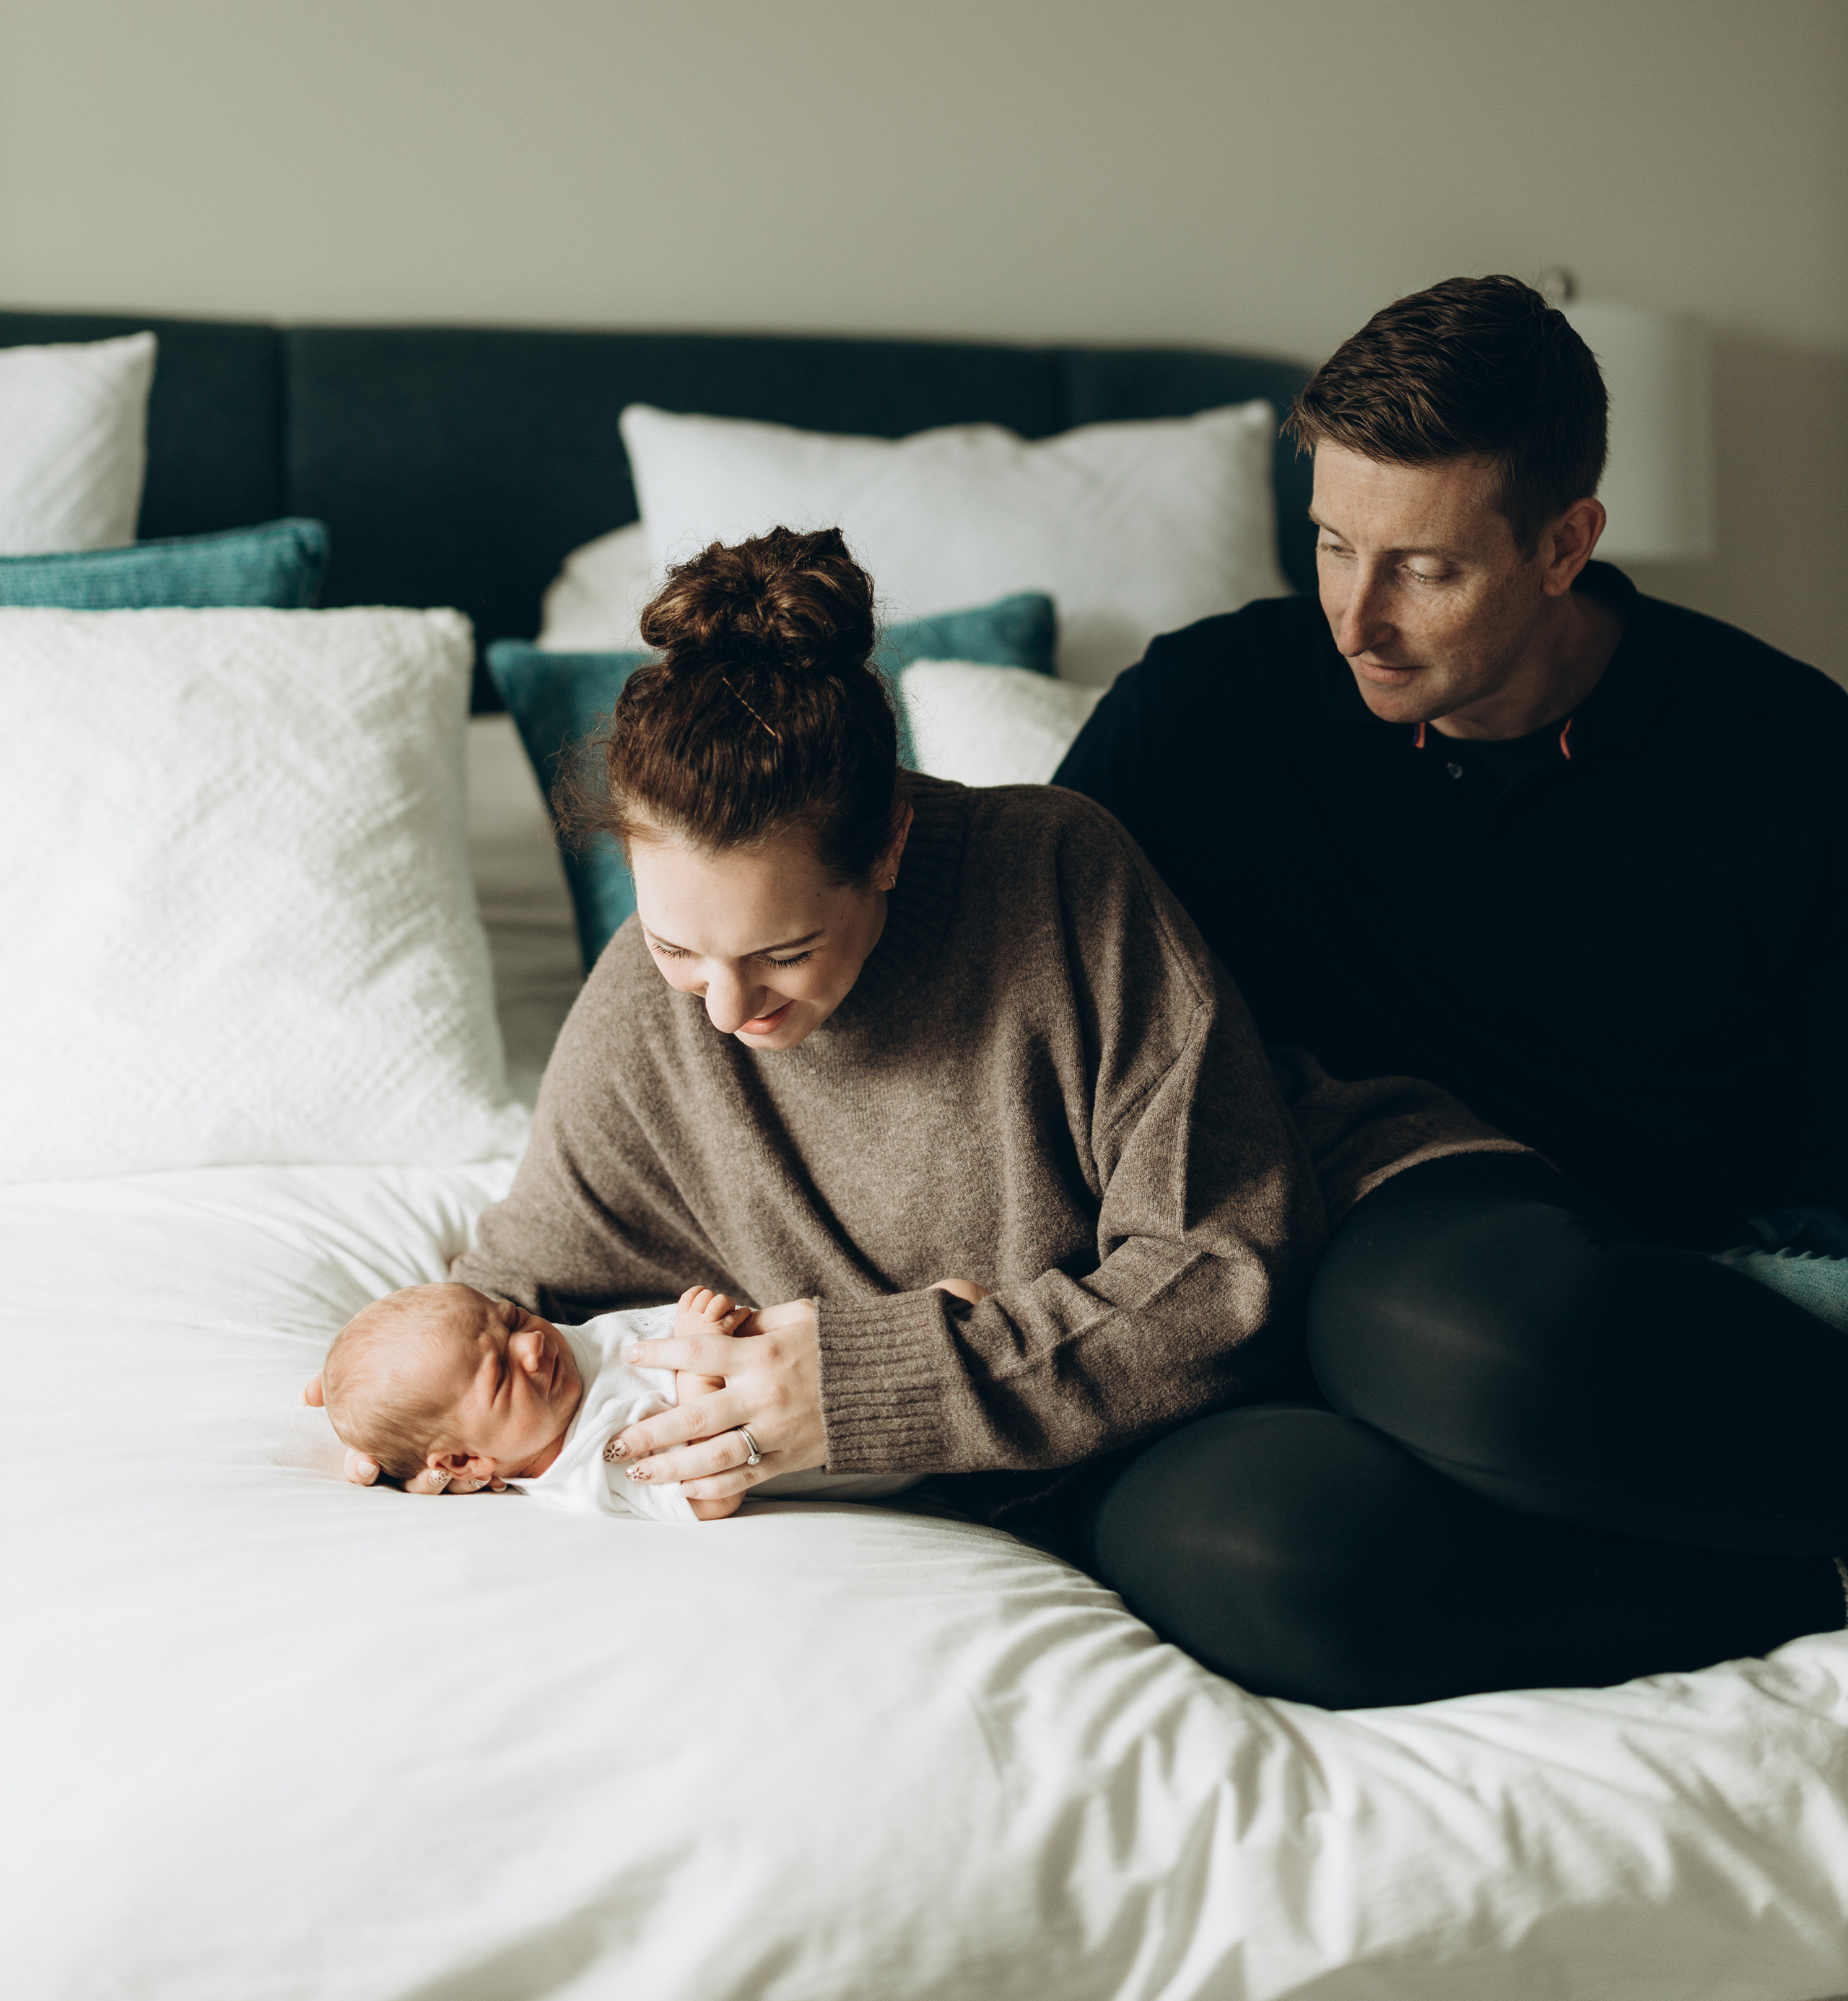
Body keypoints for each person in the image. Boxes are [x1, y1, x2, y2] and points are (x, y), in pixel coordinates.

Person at [333, 523, 1535, 1704]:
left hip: (1295, 1269)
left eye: (786, 951)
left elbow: (1220, 1268)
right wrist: (385, 1409)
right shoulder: (643, 1012)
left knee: (1521, 1369)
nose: (728, 1008)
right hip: (1077, 1445)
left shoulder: (1055, 871)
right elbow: (515, 1294)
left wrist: (871, 1386)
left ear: (893, 846)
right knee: (1314, 1569)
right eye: (678, 947)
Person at [1055, 274, 1848, 1699]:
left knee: (1502, 1346)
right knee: (1269, 1560)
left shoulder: (1785, 753)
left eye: (1420, 568)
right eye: (1327, 546)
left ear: (1563, 544)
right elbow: (1018, 1010)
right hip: (1248, 1307)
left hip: (1610, 1333)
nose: (1353, 619)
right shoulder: (1198, 714)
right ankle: (1799, 1586)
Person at [308, 1280, 752, 1521]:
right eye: (501, 1373)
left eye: (513, 1318)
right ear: (463, 1460)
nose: (531, 1346)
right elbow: (707, 1498)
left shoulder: (561, 1369)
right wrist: (702, 1366)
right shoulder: (584, 1461)